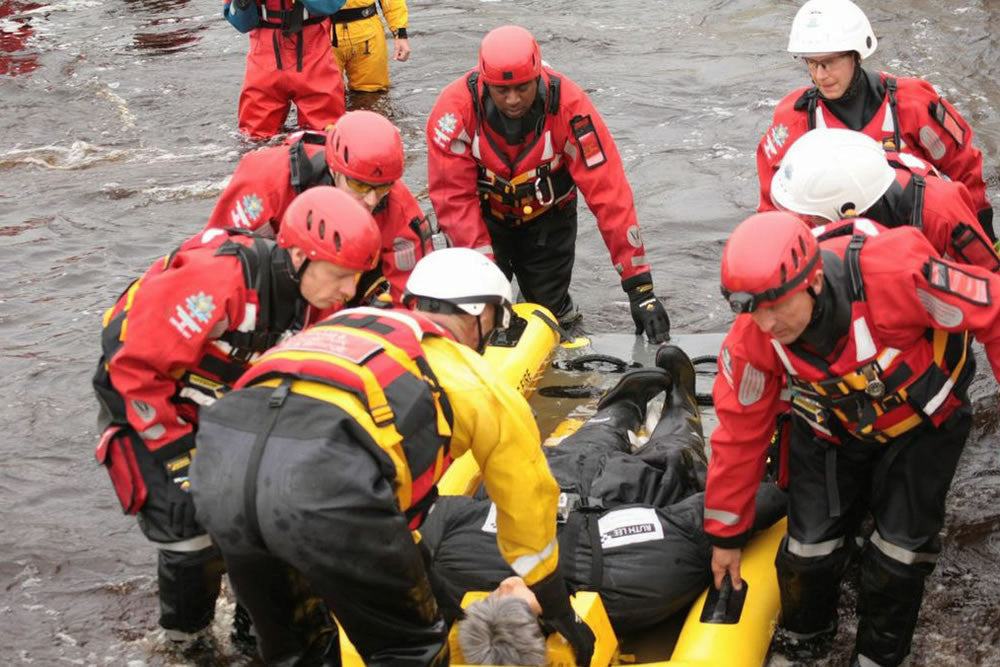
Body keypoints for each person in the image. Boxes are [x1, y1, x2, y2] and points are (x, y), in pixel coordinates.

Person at [189, 247, 595, 666]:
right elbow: (528, 506)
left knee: (298, 648)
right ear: (482, 315)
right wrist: (558, 607)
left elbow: (391, 527)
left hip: (217, 472)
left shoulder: (344, 326)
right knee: (412, 650)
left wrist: (446, 603)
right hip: (320, 493)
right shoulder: (479, 385)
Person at [706, 211, 1000, 666]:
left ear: (815, 281)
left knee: (899, 559)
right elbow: (738, 435)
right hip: (832, 425)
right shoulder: (751, 340)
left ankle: (877, 658)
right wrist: (726, 536)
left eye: (776, 305)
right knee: (807, 554)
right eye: (752, 309)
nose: (767, 324)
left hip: (922, 424)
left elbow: (992, 308)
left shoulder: (895, 273)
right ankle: (806, 645)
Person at [91, 187, 379, 647]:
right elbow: (136, 368)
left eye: (355, 278)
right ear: (301, 256)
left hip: (217, 397)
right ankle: (187, 641)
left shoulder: (317, 299)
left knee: (263, 512)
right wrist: (177, 454)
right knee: (185, 523)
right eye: (342, 276)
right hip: (142, 393)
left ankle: (255, 632)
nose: (348, 291)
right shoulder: (217, 284)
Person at [419, 346, 787, 659]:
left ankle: (623, 404)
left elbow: (419, 522)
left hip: (558, 479)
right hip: (631, 494)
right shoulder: (640, 581)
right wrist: (779, 487)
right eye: (505, 599)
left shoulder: (457, 565)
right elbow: (702, 521)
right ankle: (680, 403)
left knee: (589, 442)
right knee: (676, 459)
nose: (499, 589)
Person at [425, 25, 671, 340]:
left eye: (523, 88)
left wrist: (640, 288)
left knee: (551, 311)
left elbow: (610, 195)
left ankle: (561, 315)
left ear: (538, 76)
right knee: (480, 315)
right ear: (486, 83)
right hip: (482, 221)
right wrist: (487, 280)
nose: (513, 100)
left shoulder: (572, 109)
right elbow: (453, 201)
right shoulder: (453, 114)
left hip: (548, 221)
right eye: (502, 90)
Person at [756, 0, 994, 240]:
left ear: (855, 55)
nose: (820, 75)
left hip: (916, 243)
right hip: (838, 254)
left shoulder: (913, 104)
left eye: (829, 62)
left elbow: (965, 170)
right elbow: (775, 208)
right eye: (812, 63)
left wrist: (984, 238)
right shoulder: (794, 120)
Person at [206, 110, 446, 304]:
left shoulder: (399, 207)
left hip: (344, 296)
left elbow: (412, 296)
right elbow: (219, 258)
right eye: (359, 186)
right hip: (271, 286)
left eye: (382, 188)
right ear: (334, 169)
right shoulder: (266, 180)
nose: (372, 200)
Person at [770, 127, 1000, 273]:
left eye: (813, 215)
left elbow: (989, 281)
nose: (807, 219)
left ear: (846, 208)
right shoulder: (834, 190)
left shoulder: (940, 209)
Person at [223, 0, 345, 139]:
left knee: (325, 135)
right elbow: (242, 23)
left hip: (314, 54)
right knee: (254, 139)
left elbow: (331, 5)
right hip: (265, 59)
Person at [331, 0, 409, 93]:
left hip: (368, 33)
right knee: (324, 96)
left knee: (373, 95)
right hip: (323, 33)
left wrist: (400, 33)